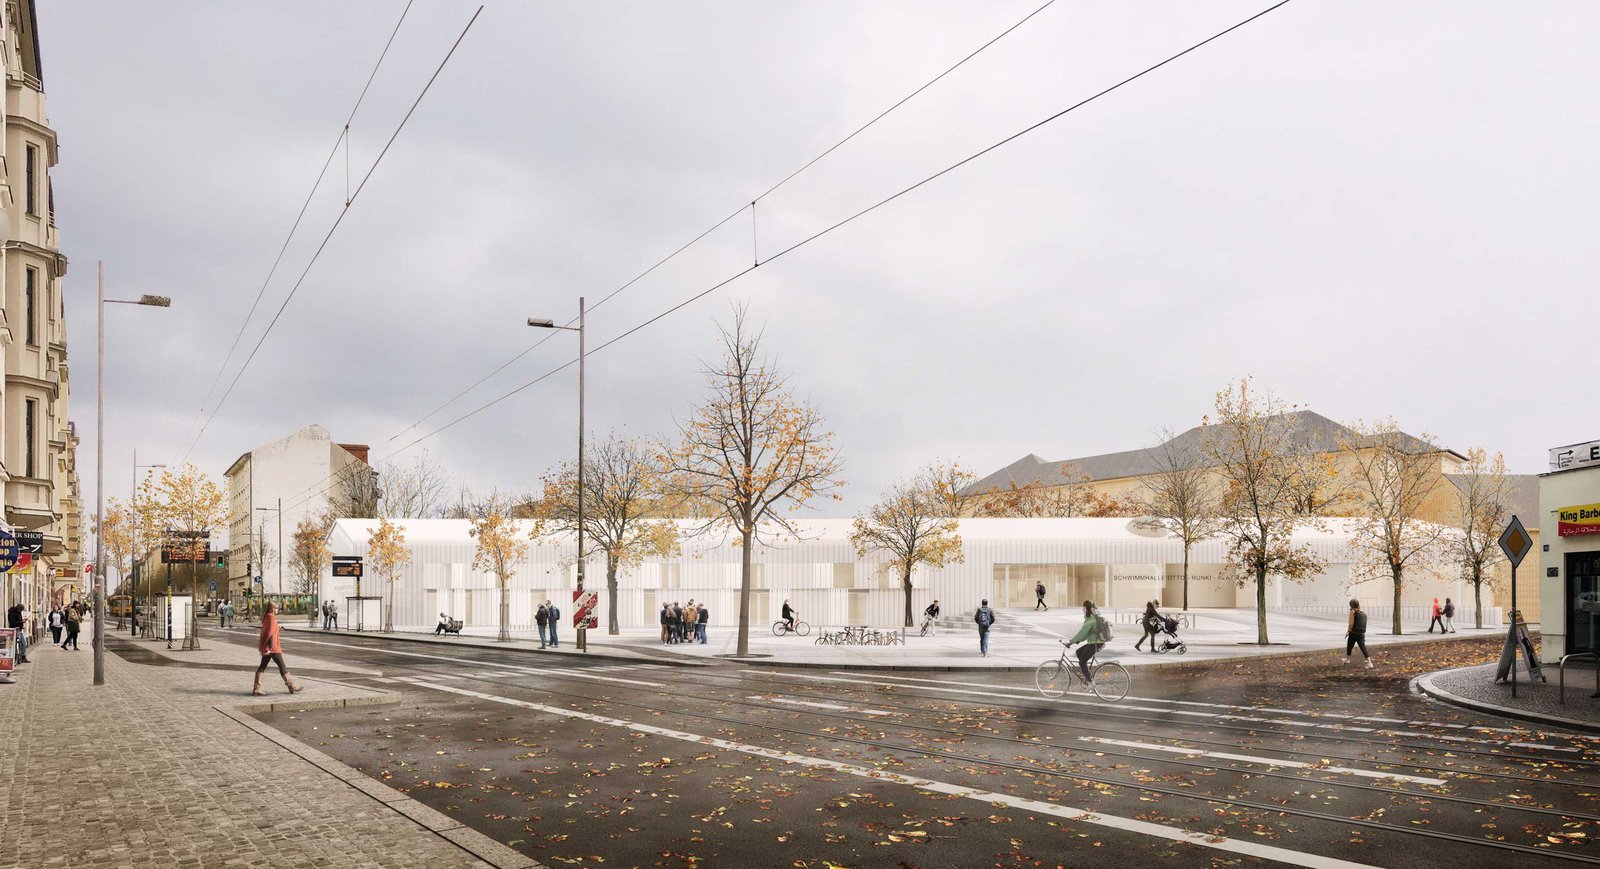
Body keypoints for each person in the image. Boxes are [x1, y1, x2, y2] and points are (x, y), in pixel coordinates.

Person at [253, 601, 304, 696]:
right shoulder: (271, 618)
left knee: (262, 667)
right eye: (276, 608)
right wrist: (270, 648)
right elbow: (270, 634)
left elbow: (270, 630)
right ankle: (291, 686)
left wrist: (278, 628)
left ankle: (257, 688)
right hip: (273, 648)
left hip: (268, 647)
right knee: (282, 666)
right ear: (273, 609)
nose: (277, 609)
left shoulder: (266, 617)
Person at [1065, 600, 1109, 684]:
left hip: (1095, 643)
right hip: (1096, 642)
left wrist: (1071, 642)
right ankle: (1087, 673)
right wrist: (1077, 641)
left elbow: (1082, 633)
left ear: (1088, 609)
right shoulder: (1093, 618)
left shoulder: (1091, 620)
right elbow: (1085, 635)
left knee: (1082, 661)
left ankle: (1090, 682)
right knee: (1078, 652)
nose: (1082, 610)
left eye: (1084, 608)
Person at [1344, 598, 1373, 669]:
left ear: (1351, 605)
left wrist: (1348, 631)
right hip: (1361, 634)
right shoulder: (1363, 614)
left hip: (1354, 633)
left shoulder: (1352, 612)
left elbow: (1351, 623)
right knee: (1363, 648)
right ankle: (1370, 662)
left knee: (1349, 645)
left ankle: (1348, 659)